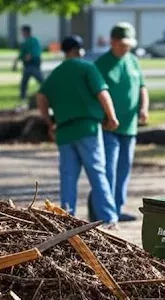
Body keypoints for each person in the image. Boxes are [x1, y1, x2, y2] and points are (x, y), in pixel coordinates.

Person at [35, 35, 119, 226]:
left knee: (68, 176)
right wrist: (112, 116)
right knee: (97, 173)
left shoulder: (56, 74)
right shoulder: (87, 67)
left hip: (64, 131)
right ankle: (108, 217)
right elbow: (102, 93)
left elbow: (41, 96)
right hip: (87, 127)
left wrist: (49, 122)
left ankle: (66, 217)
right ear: (79, 50)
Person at [93, 22, 149, 221]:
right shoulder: (101, 64)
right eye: (122, 44)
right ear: (113, 42)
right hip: (109, 126)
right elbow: (95, 93)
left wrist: (144, 108)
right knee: (108, 169)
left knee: (124, 170)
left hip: (130, 126)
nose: (126, 48)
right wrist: (105, 116)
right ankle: (103, 212)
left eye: (129, 44)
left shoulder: (133, 61)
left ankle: (117, 208)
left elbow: (142, 87)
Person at [12, 25, 44, 106]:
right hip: (30, 65)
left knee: (38, 81)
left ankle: (24, 98)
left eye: (22, 32)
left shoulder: (31, 41)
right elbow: (21, 54)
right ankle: (23, 98)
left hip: (32, 65)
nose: (22, 34)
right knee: (25, 83)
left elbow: (31, 54)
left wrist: (26, 58)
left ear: (26, 32)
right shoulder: (30, 41)